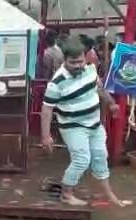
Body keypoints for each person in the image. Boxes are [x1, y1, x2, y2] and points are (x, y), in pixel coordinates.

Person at [41, 38, 127, 207]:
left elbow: (99, 89)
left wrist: (111, 103)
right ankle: (66, 194)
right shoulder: (56, 83)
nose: (78, 66)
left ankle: (109, 195)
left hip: (94, 124)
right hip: (73, 127)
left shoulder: (90, 70)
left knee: (101, 157)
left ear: (85, 58)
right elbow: (46, 109)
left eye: (80, 61)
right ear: (64, 60)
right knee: (81, 159)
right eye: (73, 63)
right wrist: (46, 136)